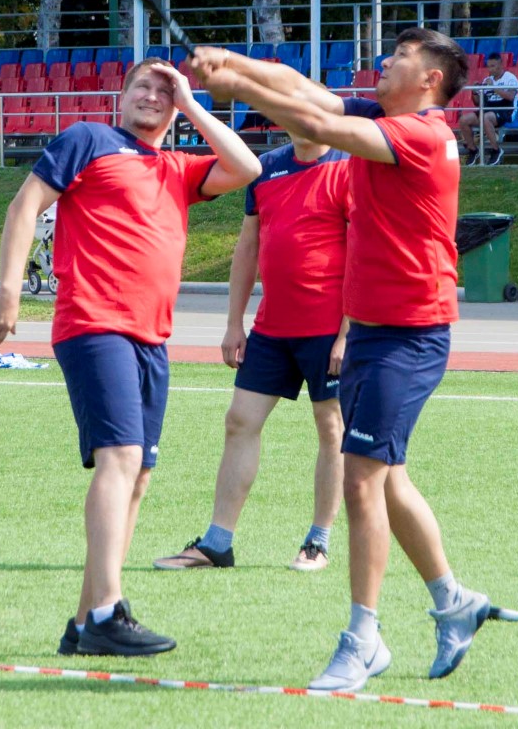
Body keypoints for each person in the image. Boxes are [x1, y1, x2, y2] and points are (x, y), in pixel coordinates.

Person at [186, 29, 491, 691]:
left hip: (408, 334)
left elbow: (317, 119)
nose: (384, 65)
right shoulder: (386, 117)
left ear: (430, 79)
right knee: (389, 479)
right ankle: (453, 602)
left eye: (399, 59)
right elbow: (307, 92)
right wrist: (232, 61)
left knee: (360, 480)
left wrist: (234, 90)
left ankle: (364, 639)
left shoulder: (424, 135)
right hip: (381, 332)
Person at [0, 57, 260, 658]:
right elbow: (25, 205)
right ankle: (109, 609)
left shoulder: (179, 168)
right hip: (94, 321)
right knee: (121, 458)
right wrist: (7, 287)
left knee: (139, 477)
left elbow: (248, 166)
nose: (153, 96)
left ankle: (84, 624)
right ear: (121, 96)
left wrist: (192, 101)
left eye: (164, 90)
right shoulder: (88, 139)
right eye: (143, 87)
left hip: (151, 337)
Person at [152, 124, 375, 575]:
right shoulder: (265, 169)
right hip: (273, 327)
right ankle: (218, 543)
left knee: (330, 427)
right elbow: (248, 246)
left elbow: (363, 253)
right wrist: (234, 323)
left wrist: (348, 332)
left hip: (328, 327)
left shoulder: (350, 168)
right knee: (240, 421)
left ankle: (318, 541)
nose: (302, 122)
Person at [455, 53, 516, 165]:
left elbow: (510, 96)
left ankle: (496, 150)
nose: (490, 69)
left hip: (504, 110)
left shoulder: (510, 78)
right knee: (464, 120)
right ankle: (473, 150)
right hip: (487, 110)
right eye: (489, 66)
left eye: (493, 66)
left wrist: (494, 87)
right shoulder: (486, 80)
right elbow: (478, 103)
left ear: (501, 65)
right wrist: (474, 92)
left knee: (486, 117)